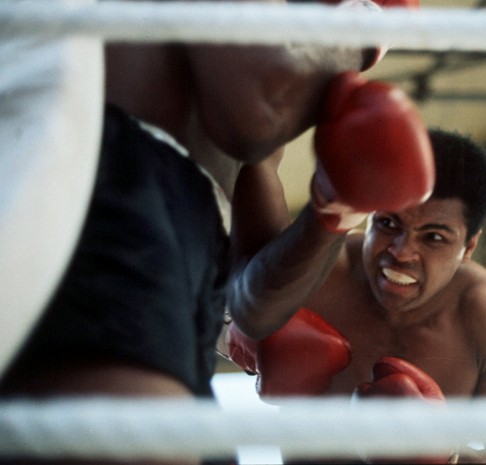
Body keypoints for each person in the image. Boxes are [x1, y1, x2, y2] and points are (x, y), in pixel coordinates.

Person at [0, 0, 433, 463]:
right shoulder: (268, 67)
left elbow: (252, 308)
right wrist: (368, 26)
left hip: (179, 238)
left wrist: (334, 213)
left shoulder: (268, 69)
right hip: (115, 170)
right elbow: (258, 107)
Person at [226, 128, 486, 463]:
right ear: (369, 216)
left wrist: (444, 455)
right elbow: (203, 306)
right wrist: (234, 335)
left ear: (468, 248)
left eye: (433, 237)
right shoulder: (315, 274)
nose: (402, 252)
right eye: (389, 224)